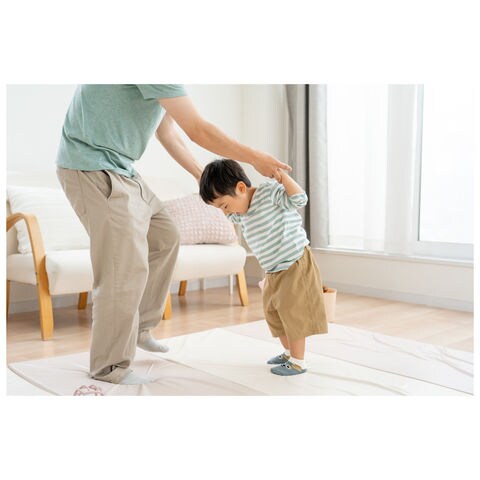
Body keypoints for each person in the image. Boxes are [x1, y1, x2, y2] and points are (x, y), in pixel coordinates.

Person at [56, 84, 290, 385]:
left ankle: (139, 328)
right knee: (122, 268)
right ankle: (109, 366)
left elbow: (168, 133)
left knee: (164, 237)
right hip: (91, 167)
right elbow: (198, 130)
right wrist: (255, 157)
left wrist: (203, 179)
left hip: (121, 168)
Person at [199, 159, 328, 375]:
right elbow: (229, 212)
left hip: (294, 262)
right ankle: (288, 352)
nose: (225, 212)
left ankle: (298, 361)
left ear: (241, 188)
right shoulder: (241, 213)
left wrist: (282, 177)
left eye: (224, 206)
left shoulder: (268, 193)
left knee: (293, 314)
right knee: (274, 315)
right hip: (273, 270)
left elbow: (299, 199)